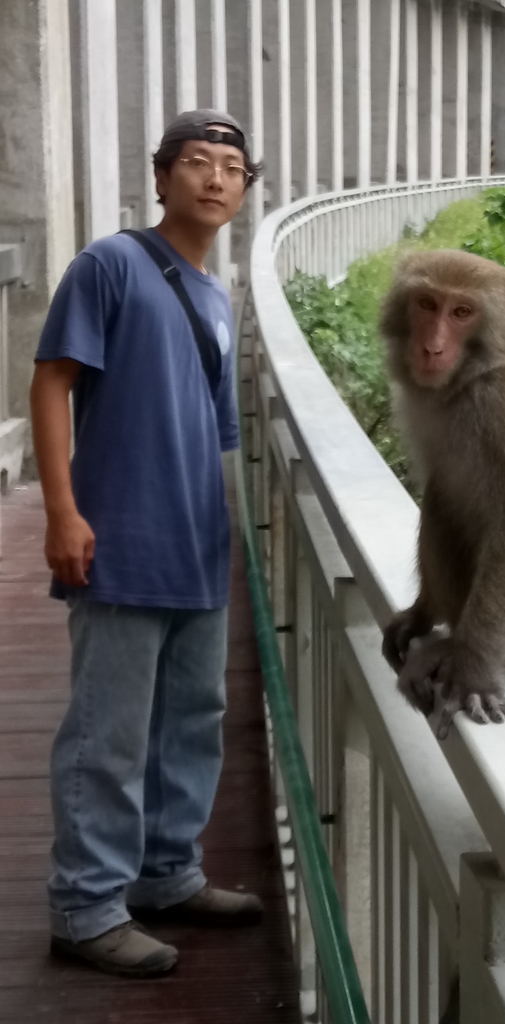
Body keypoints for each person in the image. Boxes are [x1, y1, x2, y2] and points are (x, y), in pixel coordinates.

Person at [30, 110, 264, 978]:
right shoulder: (111, 266)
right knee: (109, 733)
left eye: (231, 167)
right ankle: (86, 908)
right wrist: (62, 510)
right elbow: (51, 384)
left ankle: (167, 873)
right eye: (195, 162)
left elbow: (217, 438)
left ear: (244, 189)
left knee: (191, 723)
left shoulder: (213, 295)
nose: (214, 177)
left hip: (197, 546)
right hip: (118, 537)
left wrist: (233, 541)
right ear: (161, 179)